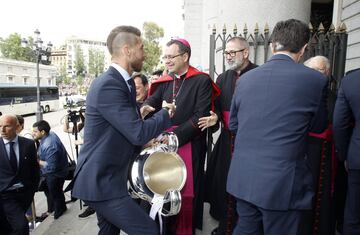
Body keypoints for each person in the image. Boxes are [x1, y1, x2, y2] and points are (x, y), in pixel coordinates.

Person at [227, 19, 328, 235]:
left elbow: (233, 125)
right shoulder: (314, 80)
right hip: (282, 184)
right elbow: (319, 126)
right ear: (303, 49)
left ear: (273, 45)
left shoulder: (245, 80)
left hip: (244, 178)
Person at [71, 25, 175, 235]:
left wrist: (139, 116)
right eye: (142, 47)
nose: (144, 54)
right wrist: (164, 114)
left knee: (108, 232)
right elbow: (137, 133)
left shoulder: (119, 82)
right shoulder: (109, 84)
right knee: (149, 230)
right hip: (101, 182)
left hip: (108, 179)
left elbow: (120, 129)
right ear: (128, 50)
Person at [144, 38, 220, 235]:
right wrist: (144, 109)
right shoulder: (165, 81)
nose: (167, 61)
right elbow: (152, 103)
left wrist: (174, 136)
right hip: (162, 144)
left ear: (185, 56)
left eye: (171, 56)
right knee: (163, 189)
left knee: (186, 191)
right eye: (165, 57)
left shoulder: (201, 80)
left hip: (189, 142)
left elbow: (200, 116)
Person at [198, 36, 257, 235]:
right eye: (226, 53)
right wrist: (216, 120)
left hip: (251, 143)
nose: (228, 57)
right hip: (227, 141)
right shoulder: (223, 78)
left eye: (233, 52)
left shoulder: (258, 74)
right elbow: (218, 110)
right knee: (224, 182)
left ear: (246, 53)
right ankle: (226, 223)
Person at [0, 114, 40, 235]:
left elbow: (34, 170)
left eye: (6, 126)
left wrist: (31, 190)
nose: (2, 130)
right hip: (5, 196)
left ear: (17, 127)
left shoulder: (28, 144)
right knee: (21, 226)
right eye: (0, 126)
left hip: (24, 195)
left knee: (14, 226)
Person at [333, 68, 360, 235]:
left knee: (353, 215)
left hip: (358, 158)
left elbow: (339, 124)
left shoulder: (351, 80)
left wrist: (343, 155)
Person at [32, 120, 68, 220]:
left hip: (55, 174)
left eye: (35, 131)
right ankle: (59, 208)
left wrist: (38, 161)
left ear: (42, 132)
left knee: (55, 194)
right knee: (56, 193)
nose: (32, 134)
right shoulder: (50, 134)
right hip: (57, 171)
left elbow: (51, 166)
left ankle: (58, 211)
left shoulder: (49, 145)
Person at [63, 110, 95, 219]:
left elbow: (95, 139)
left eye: (87, 111)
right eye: (83, 112)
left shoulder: (96, 123)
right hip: (83, 155)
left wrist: (81, 142)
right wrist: (67, 119)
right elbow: (66, 129)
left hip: (92, 155)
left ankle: (92, 206)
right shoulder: (82, 125)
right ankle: (90, 201)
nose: (85, 114)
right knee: (84, 180)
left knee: (90, 180)